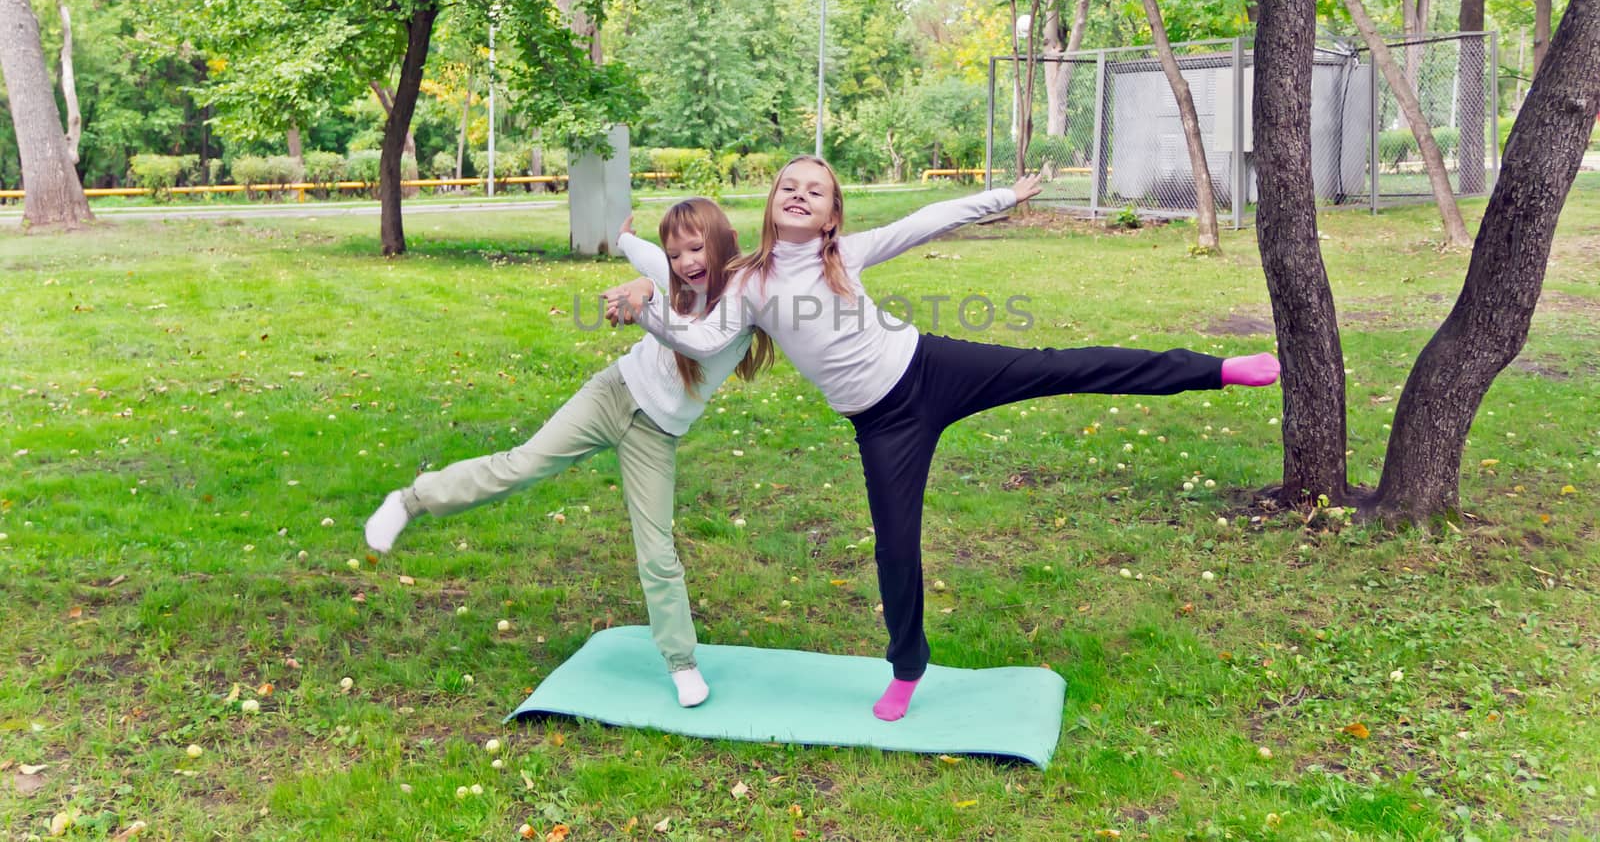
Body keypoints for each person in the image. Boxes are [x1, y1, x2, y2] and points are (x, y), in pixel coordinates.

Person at [603, 157, 1279, 721]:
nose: (800, 193)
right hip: (883, 424)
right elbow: (702, 335)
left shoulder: (848, 253)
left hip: (933, 368)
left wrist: (1005, 197)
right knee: (896, 549)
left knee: (1057, 365)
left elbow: (927, 221)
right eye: (789, 185)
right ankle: (906, 666)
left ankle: (1214, 370)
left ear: (833, 213)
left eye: (816, 188)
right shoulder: (749, 281)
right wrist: (650, 313)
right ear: (772, 203)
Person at [365, 198, 768, 707]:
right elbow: (649, 262)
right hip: (612, 394)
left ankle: (681, 662)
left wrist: (644, 302)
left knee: (658, 551)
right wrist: (627, 245)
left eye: (696, 247)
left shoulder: (744, 301)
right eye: (676, 254)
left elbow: (700, 344)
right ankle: (412, 500)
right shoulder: (671, 277)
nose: (687, 262)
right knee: (520, 465)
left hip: (656, 435)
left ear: (724, 237)